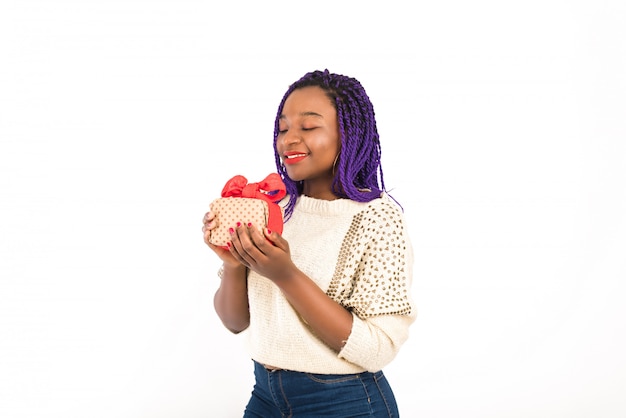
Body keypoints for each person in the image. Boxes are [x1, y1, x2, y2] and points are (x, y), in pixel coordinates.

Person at [202, 69, 416, 417]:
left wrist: (285, 274)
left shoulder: (375, 217)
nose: (288, 139)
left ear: (349, 133)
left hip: (344, 402)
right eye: (283, 128)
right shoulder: (272, 210)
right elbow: (235, 322)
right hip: (266, 397)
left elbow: (378, 349)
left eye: (309, 126)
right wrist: (233, 263)